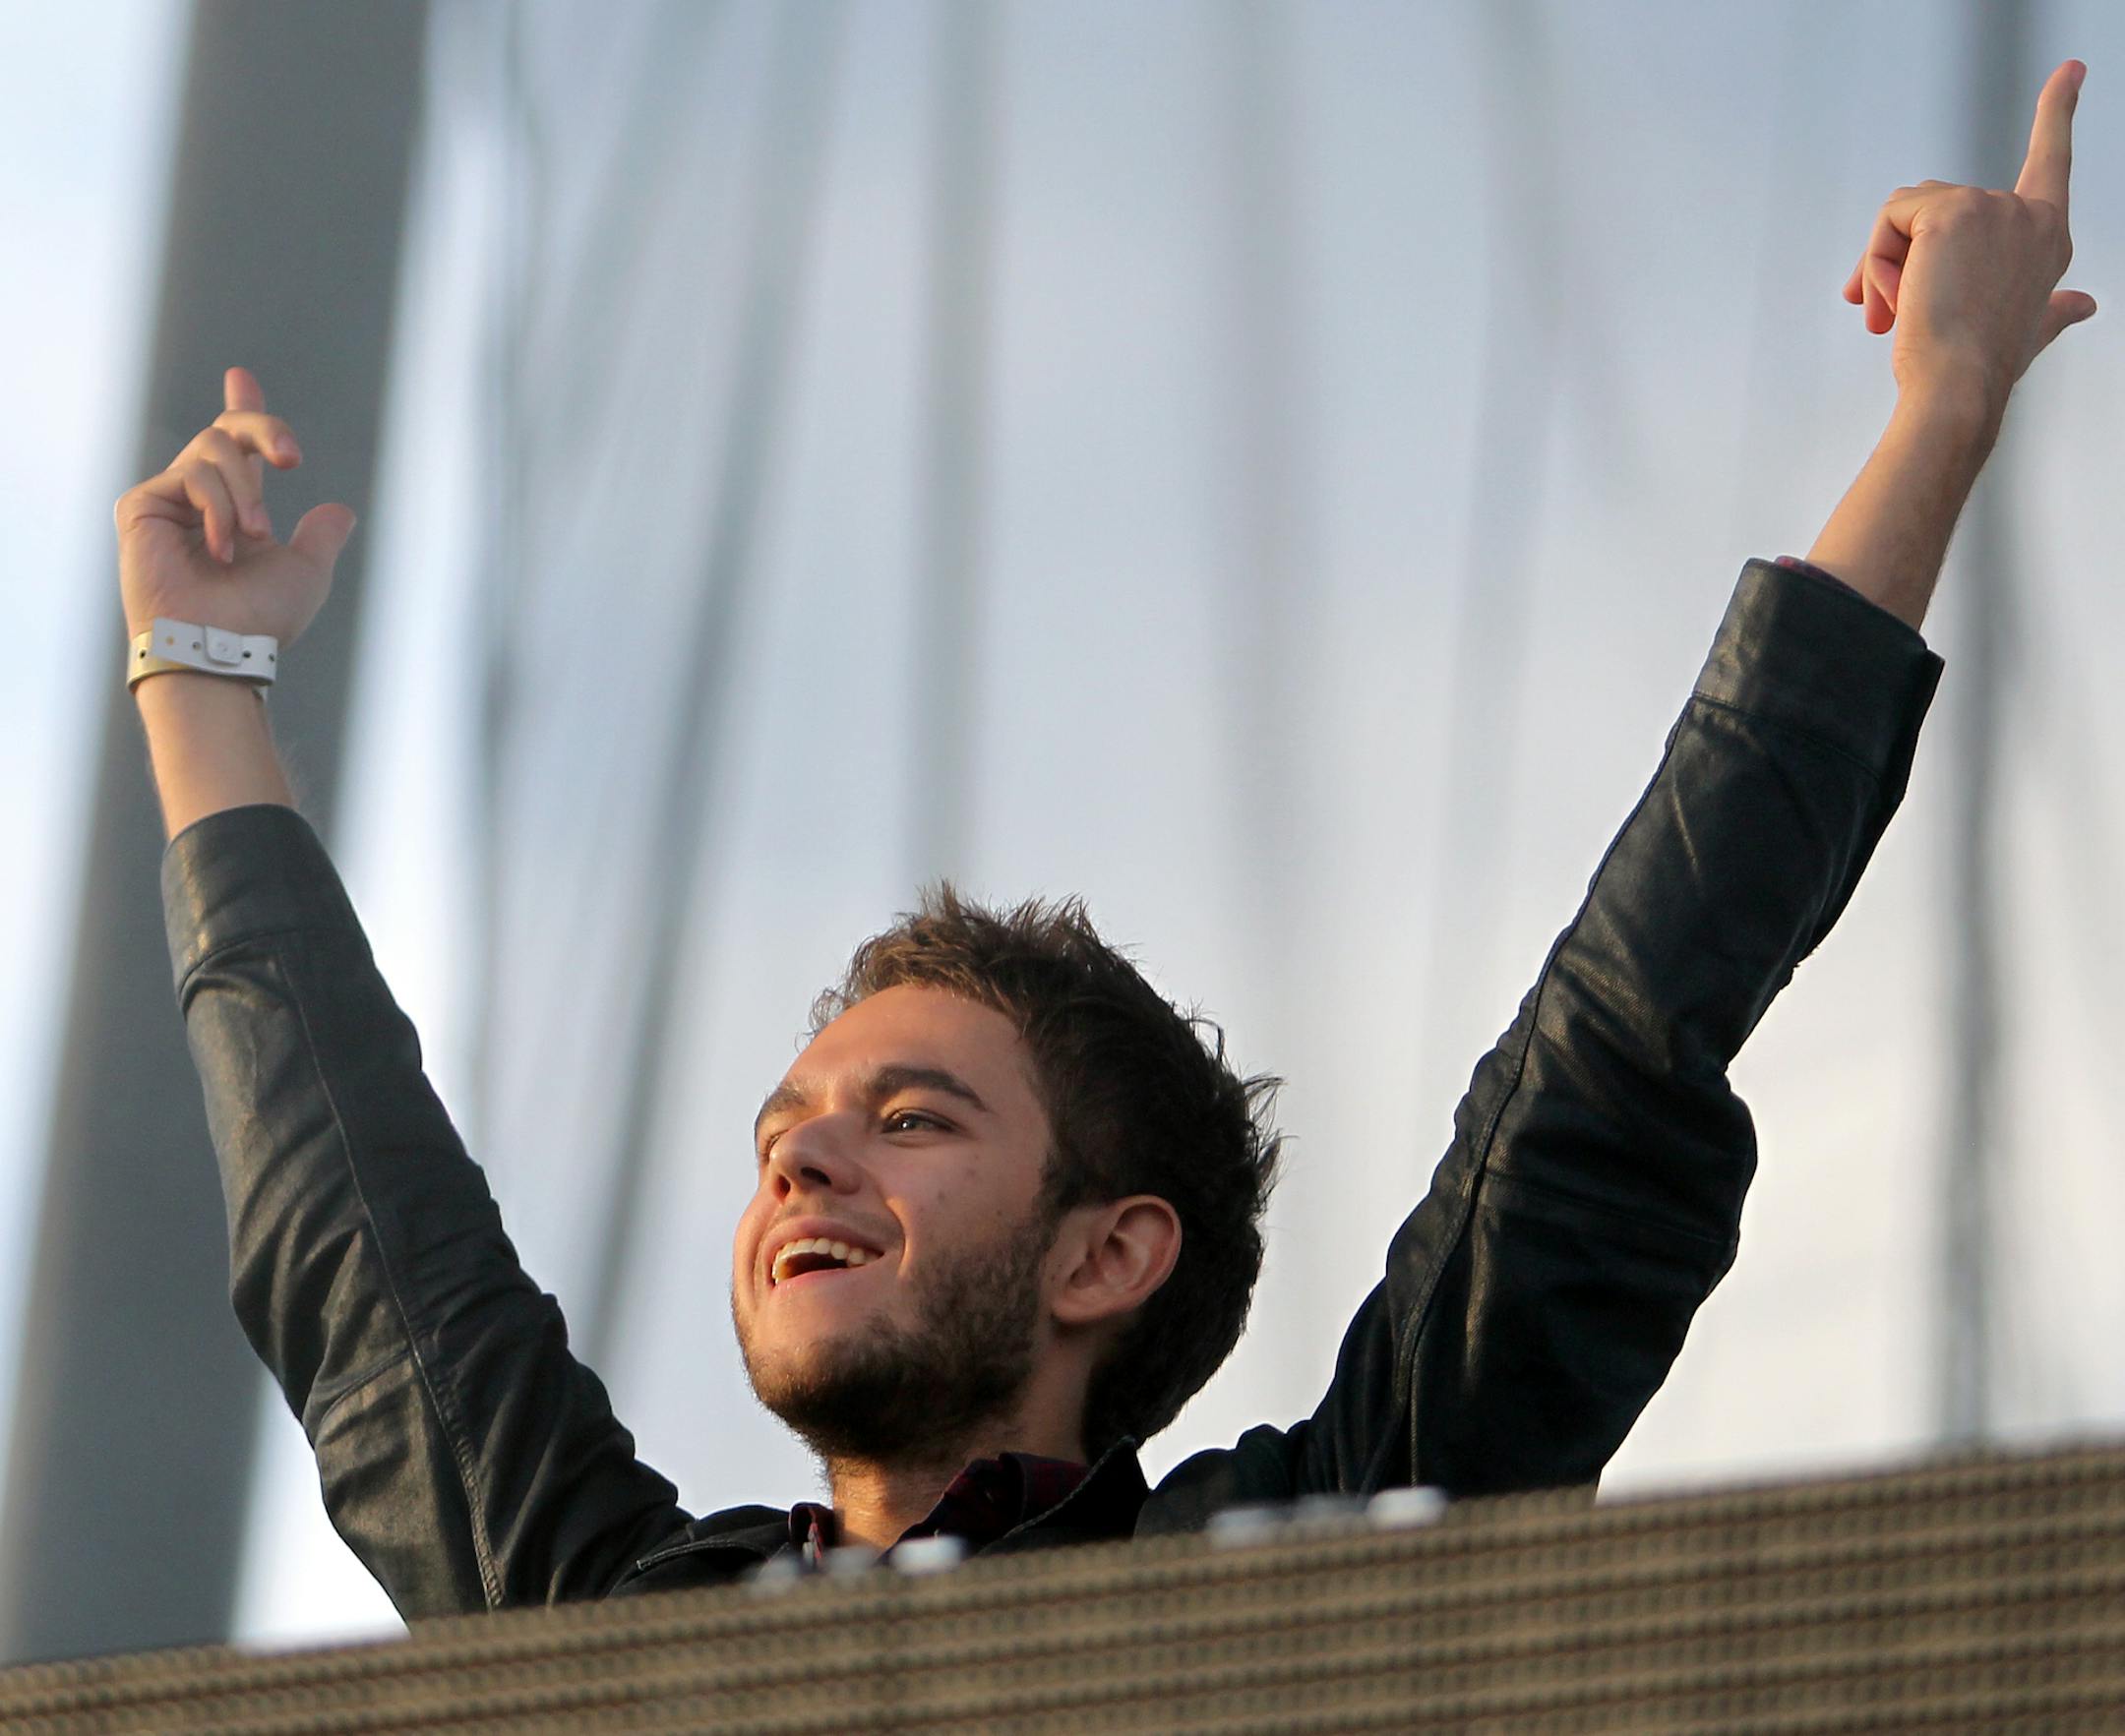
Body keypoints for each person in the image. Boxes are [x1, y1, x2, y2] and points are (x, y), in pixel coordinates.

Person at [119, 63, 2092, 1616]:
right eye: (790, 1127)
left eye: (912, 1118)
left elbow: (1622, 1052)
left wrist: (1938, 418)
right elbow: (359, 1256)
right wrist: (201, 674)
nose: (797, 1147)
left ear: (1109, 1252)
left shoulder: (1320, 1561)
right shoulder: (608, 1612)